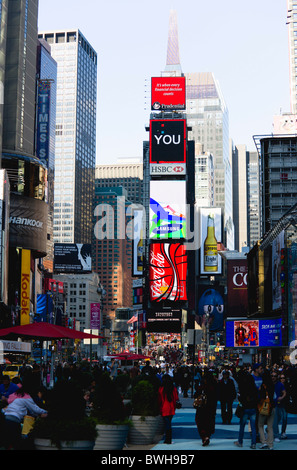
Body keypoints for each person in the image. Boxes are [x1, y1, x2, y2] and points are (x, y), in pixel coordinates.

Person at [1, 379, 48, 450]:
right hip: (14, 421)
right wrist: (47, 412)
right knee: (17, 443)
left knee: (8, 443)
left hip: (6, 419)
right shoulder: (27, 397)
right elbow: (35, 409)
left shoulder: (18, 396)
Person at [234, 370, 259, 449]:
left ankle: (240, 441)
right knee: (253, 427)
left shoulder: (243, 387)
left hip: (245, 408)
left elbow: (240, 398)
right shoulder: (254, 388)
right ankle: (253, 443)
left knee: (242, 425)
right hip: (253, 408)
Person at [194, 369, 218, 447]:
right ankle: (207, 435)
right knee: (209, 421)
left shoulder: (203, 386)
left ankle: (204, 436)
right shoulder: (214, 385)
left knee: (200, 421)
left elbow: (196, 394)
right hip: (212, 407)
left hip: (202, 407)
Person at [158, 374, 179, 444]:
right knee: (168, 423)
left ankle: (167, 439)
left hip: (164, 408)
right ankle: (168, 438)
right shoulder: (173, 389)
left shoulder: (161, 389)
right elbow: (176, 399)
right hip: (172, 408)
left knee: (167, 424)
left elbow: (160, 400)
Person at [257, 371, 275, 450]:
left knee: (260, 425)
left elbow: (261, 397)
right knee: (270, 427)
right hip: (272, 406)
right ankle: (270, 444)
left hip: (264, 407)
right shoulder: (272, 385)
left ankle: (263, 442)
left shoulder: (263, 386)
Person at [271, 371, 286, 442]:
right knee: (275, 419)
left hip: (278, 404)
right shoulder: (269, 384)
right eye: (272, 376)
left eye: (274, 376)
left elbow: (284, 392)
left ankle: (271, 431)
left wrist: (281, 397)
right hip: (271, 404)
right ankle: (275, 434)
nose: (273, 377)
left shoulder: (280, 384)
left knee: (279, 418)